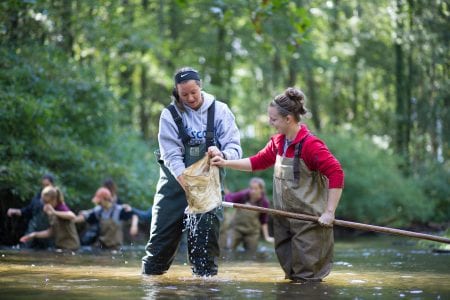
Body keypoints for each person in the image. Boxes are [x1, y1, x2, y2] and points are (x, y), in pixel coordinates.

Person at [212, 87, 344, 282]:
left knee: (307, 282)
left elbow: (336, 173)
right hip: (283, 222)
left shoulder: (311, 145)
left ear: (288, 119)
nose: (270, 122)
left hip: (310, 224)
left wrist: (330, 212)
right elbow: (256, 162)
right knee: (291, 278)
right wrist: (225, 162)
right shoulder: (278, 142)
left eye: (273, 119)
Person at [142, 67, 242, 276]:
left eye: (193, 92)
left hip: (209, 191)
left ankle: (203, 289)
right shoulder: (169, 115)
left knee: (205, 255)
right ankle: (152, 285)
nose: (189, 98)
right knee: (158, 249)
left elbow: (235, 148)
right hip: (174, 190)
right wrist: (188, 185)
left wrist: (222, 154)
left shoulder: (221, 111)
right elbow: (171, 156)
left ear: (201, 87)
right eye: (183, 94)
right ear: (177, 92)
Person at [225, 177, 274, 255]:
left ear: (261, 189)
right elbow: (229, 198)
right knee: (228, 250)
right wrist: (227, 197)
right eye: (251, 188)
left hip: (252, 232)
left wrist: (267, 237)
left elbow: (264, 221)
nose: (252, 191)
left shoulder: (264, 202)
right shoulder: (243, 195)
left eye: (255, 189)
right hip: (237, 229)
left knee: (251, 254)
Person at [20, 186, 80, 250]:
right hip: (61, 246)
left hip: (71, 247)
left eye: (47, 202)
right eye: (44, 202)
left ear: (54, 200)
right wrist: (34, 234)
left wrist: (54, 212)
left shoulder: (61, 207)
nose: (45, 205)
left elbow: (72, 216)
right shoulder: (52, 212)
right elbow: (51, 232)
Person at [7, 174, 55, 248]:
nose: (45, 187)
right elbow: (29, 209)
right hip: (34, 227)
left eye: (47, 185)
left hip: (49, 230)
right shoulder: (38, 196)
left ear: (52, 185)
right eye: (43, 185)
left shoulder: (56, 197)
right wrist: (16, 211)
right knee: (24, 247)